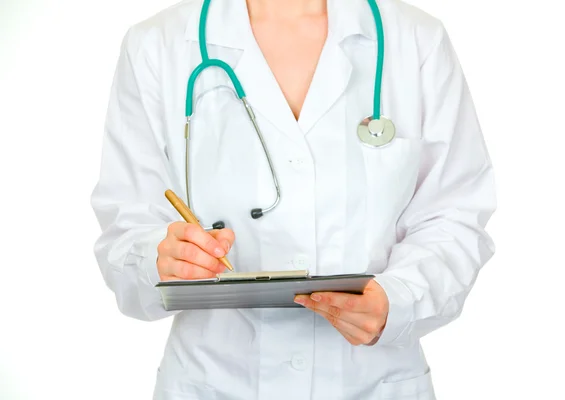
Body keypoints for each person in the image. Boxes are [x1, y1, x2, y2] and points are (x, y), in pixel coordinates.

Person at [90, 0, 496, 399]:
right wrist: (159, 258)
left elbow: (454, 214)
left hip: (372, 382)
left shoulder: (415, 39)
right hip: (214, 381)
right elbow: (128, 231)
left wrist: (399, 299)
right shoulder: (156, 45)